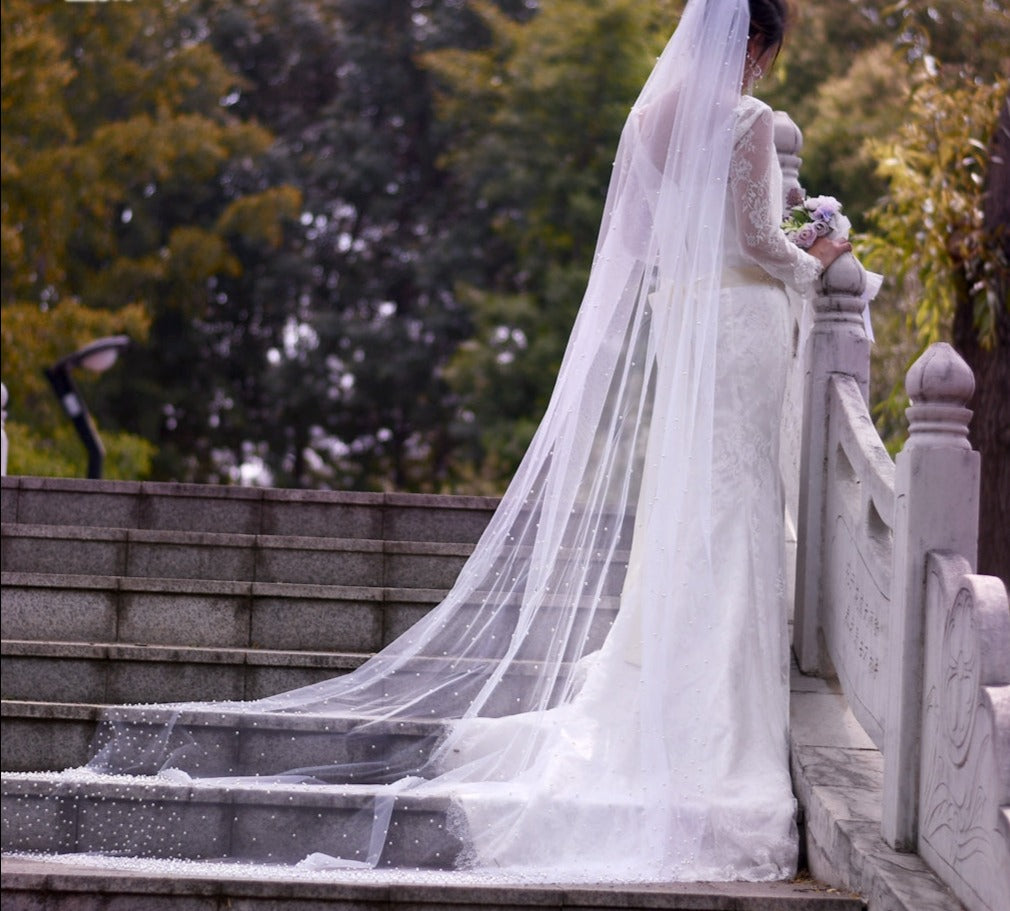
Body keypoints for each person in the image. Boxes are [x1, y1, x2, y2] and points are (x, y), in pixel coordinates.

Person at [5, 0, 851, 883]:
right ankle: (715, 724)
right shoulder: (747, 122)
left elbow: (639, 245)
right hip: (740, 328)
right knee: (738, 507)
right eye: (765, 51)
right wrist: (820, 252)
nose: (760, 71)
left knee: (689, 510)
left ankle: (670, 702)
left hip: (684, 331)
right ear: (750, 41)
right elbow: (757, 241)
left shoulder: (648, 117)